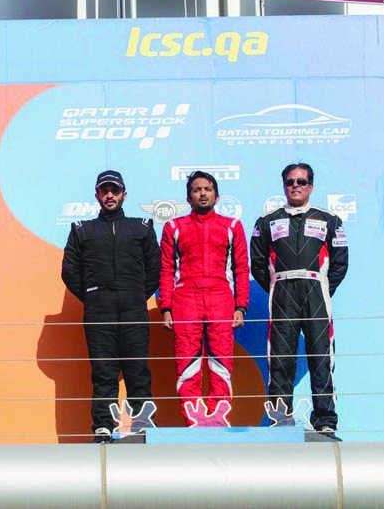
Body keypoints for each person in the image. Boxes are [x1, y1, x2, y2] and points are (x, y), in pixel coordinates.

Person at [61, 170, 161, 442]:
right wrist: (94, 296)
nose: (109, 195)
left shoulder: (142, 227)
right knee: (103, 371)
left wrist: (135, 294)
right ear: (96, 195)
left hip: (133, 308)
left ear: (124, 194)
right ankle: (103, 428)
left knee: (137, 370)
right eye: (104, 191)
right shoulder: (81, 229)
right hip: (98, 310)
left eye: (114, 191)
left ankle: (143, 426)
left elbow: (155, 269)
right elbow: (70, 272)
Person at [250, 163, 348, 436]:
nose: (295, 186)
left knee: (321, 356)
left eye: (301, 181)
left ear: (311, 186)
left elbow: (340, 263)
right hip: (282, 291)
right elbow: (258, 264)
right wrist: (277, 287)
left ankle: (325, 420)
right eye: (290, 181)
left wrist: (323, 288)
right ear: (284, 186)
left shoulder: (329, 219)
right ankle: (280, 418)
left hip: (316, 290)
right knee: (280, 358)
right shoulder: (266, 221)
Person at [159, 171, 249, 426]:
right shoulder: (173, 227)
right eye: (197, 189)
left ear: (217, 196)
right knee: (187, 361)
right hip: (185, 299)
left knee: (221, 360)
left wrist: (241, 306)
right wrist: (166, 307)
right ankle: (194, 420)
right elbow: (166, 270)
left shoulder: (232, 226)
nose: (202, 193)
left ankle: (218, 418)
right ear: (189, 198)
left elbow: (241, 269)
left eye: (207, 189)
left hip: (221, 298)